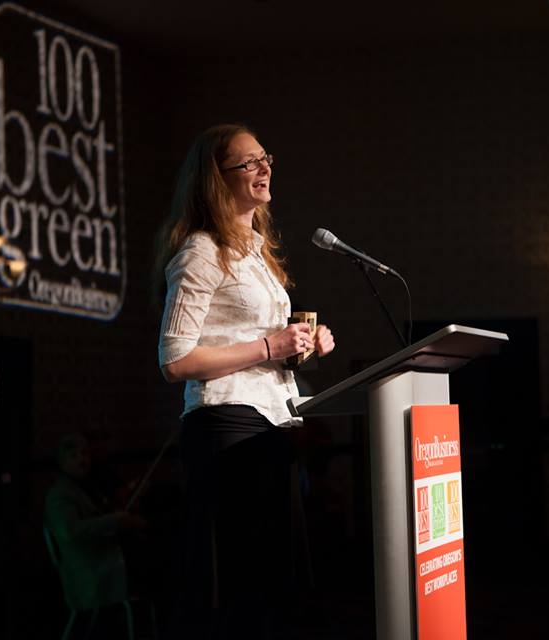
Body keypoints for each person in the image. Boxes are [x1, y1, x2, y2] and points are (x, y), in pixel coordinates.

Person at [154, 124, 335, 638]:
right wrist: (269, 346)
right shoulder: (200, 253)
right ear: (216, 179)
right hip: (226, 429)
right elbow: (174, 359)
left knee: (275, 585)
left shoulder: (257, 254)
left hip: (272, 422)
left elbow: (264, 352)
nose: (264, 168)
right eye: (248, 162)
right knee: (241, 585)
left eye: (265, 158)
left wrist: (302, 347)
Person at [44, 433, 147, 635]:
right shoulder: (60, 495)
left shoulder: (82, 487)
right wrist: (116, 520)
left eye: (84, 454)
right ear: (62, 462)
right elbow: (71, 531)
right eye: (74, 456)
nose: (82, 460)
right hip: (92, 572)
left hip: (101, 563)